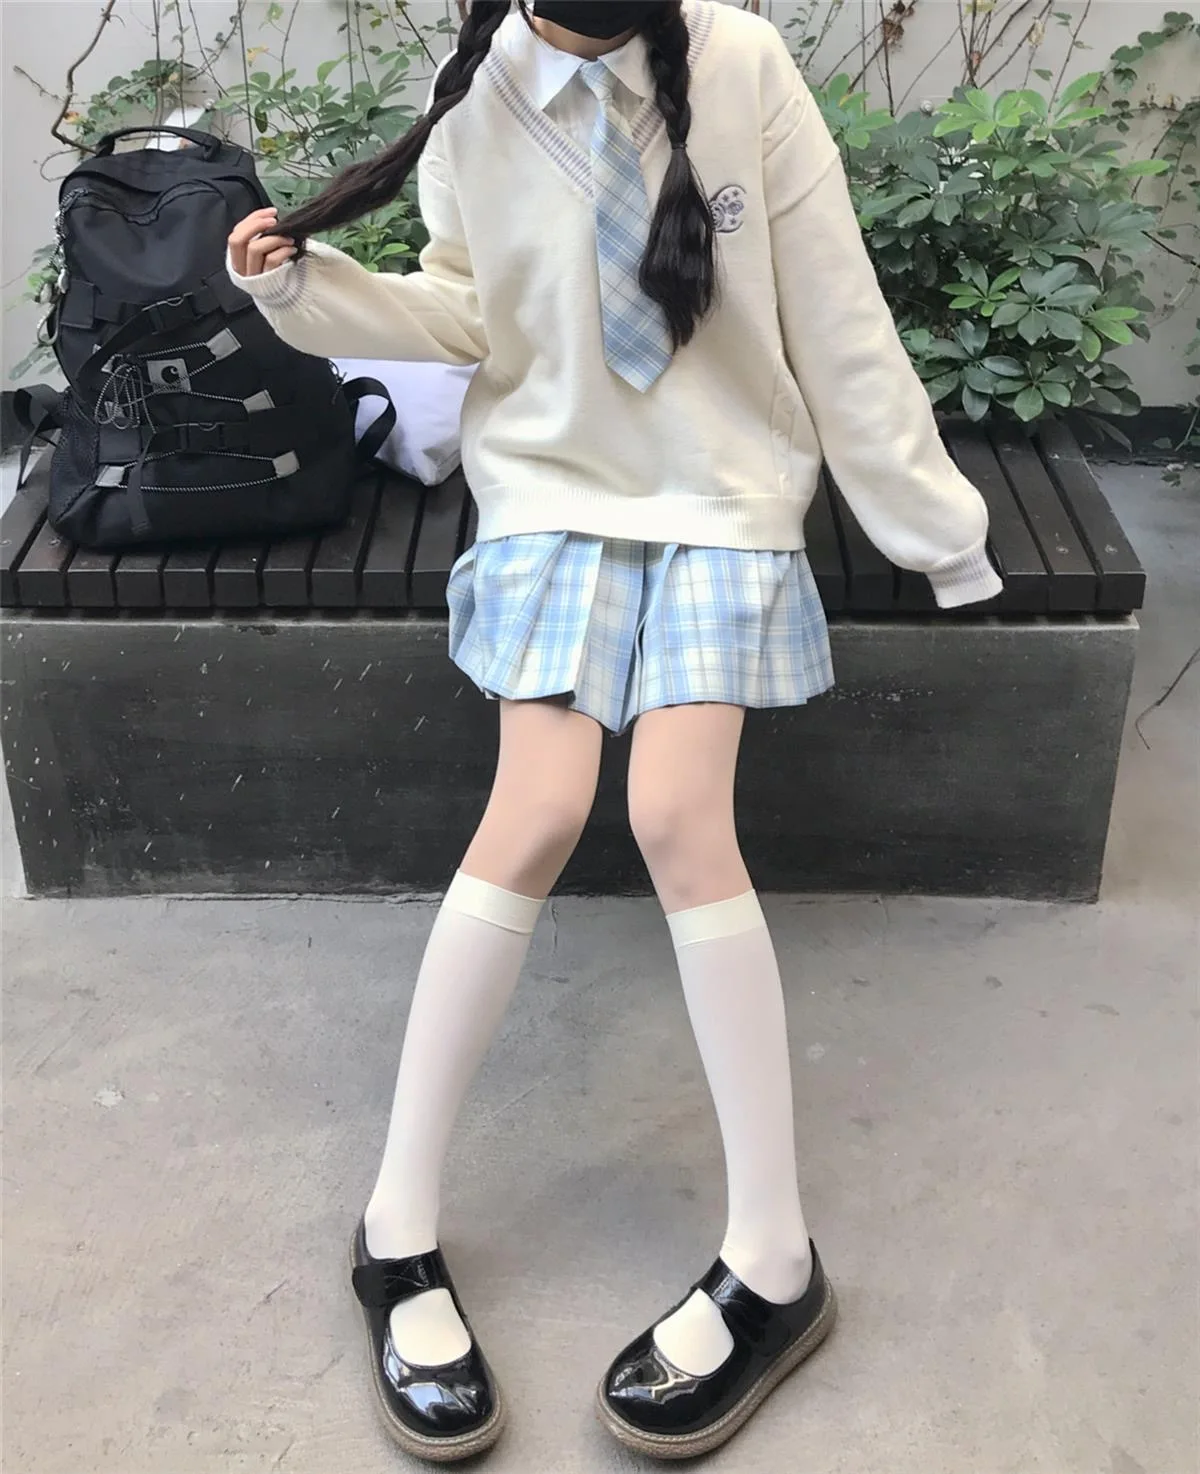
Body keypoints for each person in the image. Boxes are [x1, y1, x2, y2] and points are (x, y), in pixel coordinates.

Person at [227, 0, 1002, 1461]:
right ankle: (394, 1229)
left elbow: (838, 315)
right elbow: (463, 309)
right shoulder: (478, 89)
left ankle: (775, 1255)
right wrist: (308, 293)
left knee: (677, 817)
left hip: (721, 496)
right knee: (531, 812)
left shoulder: (741, 61)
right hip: (552, 491)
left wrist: (936, 533)